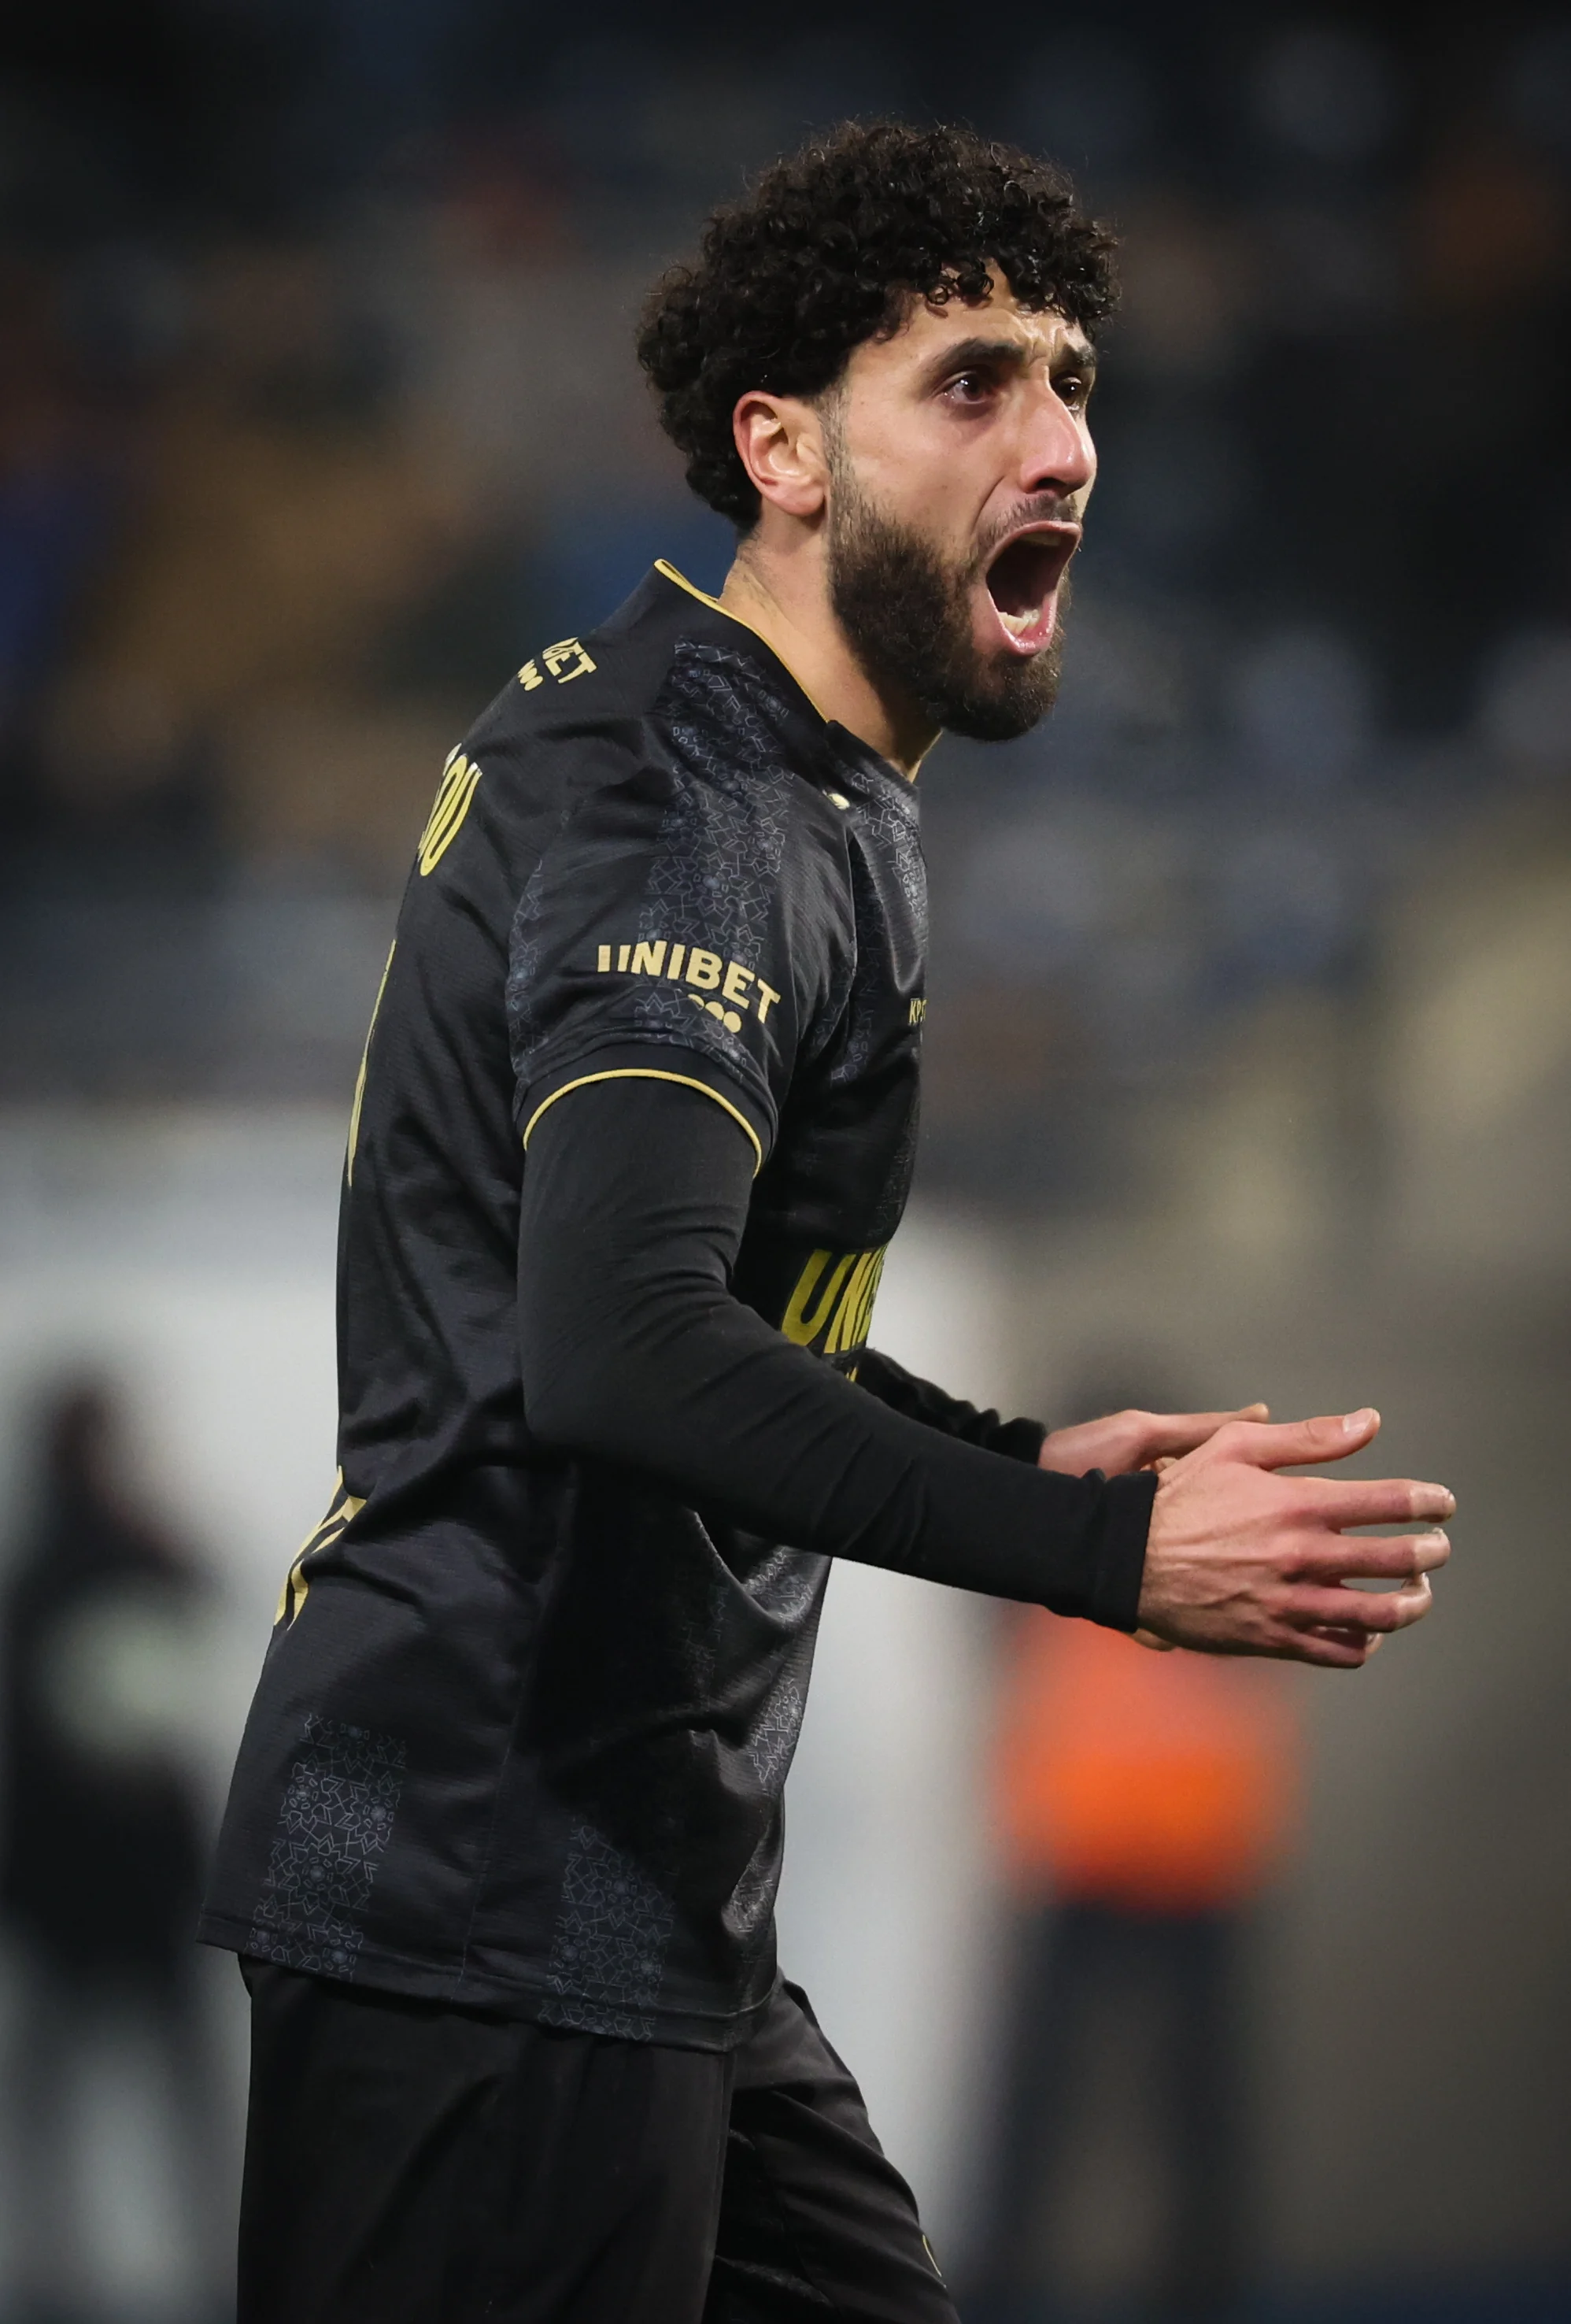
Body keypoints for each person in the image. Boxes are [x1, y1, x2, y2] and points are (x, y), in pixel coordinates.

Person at [199, 121, 1454, 2324]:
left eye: (1070, 378)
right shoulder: (692, 806)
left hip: (630, 1889)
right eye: (970, 381)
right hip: (491, 1887)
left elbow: (684, 1314)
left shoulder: (799, 785)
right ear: (780, 448)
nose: (1059, 438)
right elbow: (620, 1347)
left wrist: (1010, 1458)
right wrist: (1107, 1563)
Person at [972, 1415, 1299, 2319]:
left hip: (1190, 1863)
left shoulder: (1196, 1549)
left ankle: (1196, 2298)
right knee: (1045, 2117)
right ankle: (999, 2293)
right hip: (1093, 1861)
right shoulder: (1049, 1549)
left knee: (1188, 2121)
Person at [1, 1378, 226, 2322]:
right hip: (106, 1881)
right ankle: (189, 2274)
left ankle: (87, 2278)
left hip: (86, 1882)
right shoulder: (86, 1563)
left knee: (102, 2097)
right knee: (137, 2095)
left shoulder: (49, 1571)